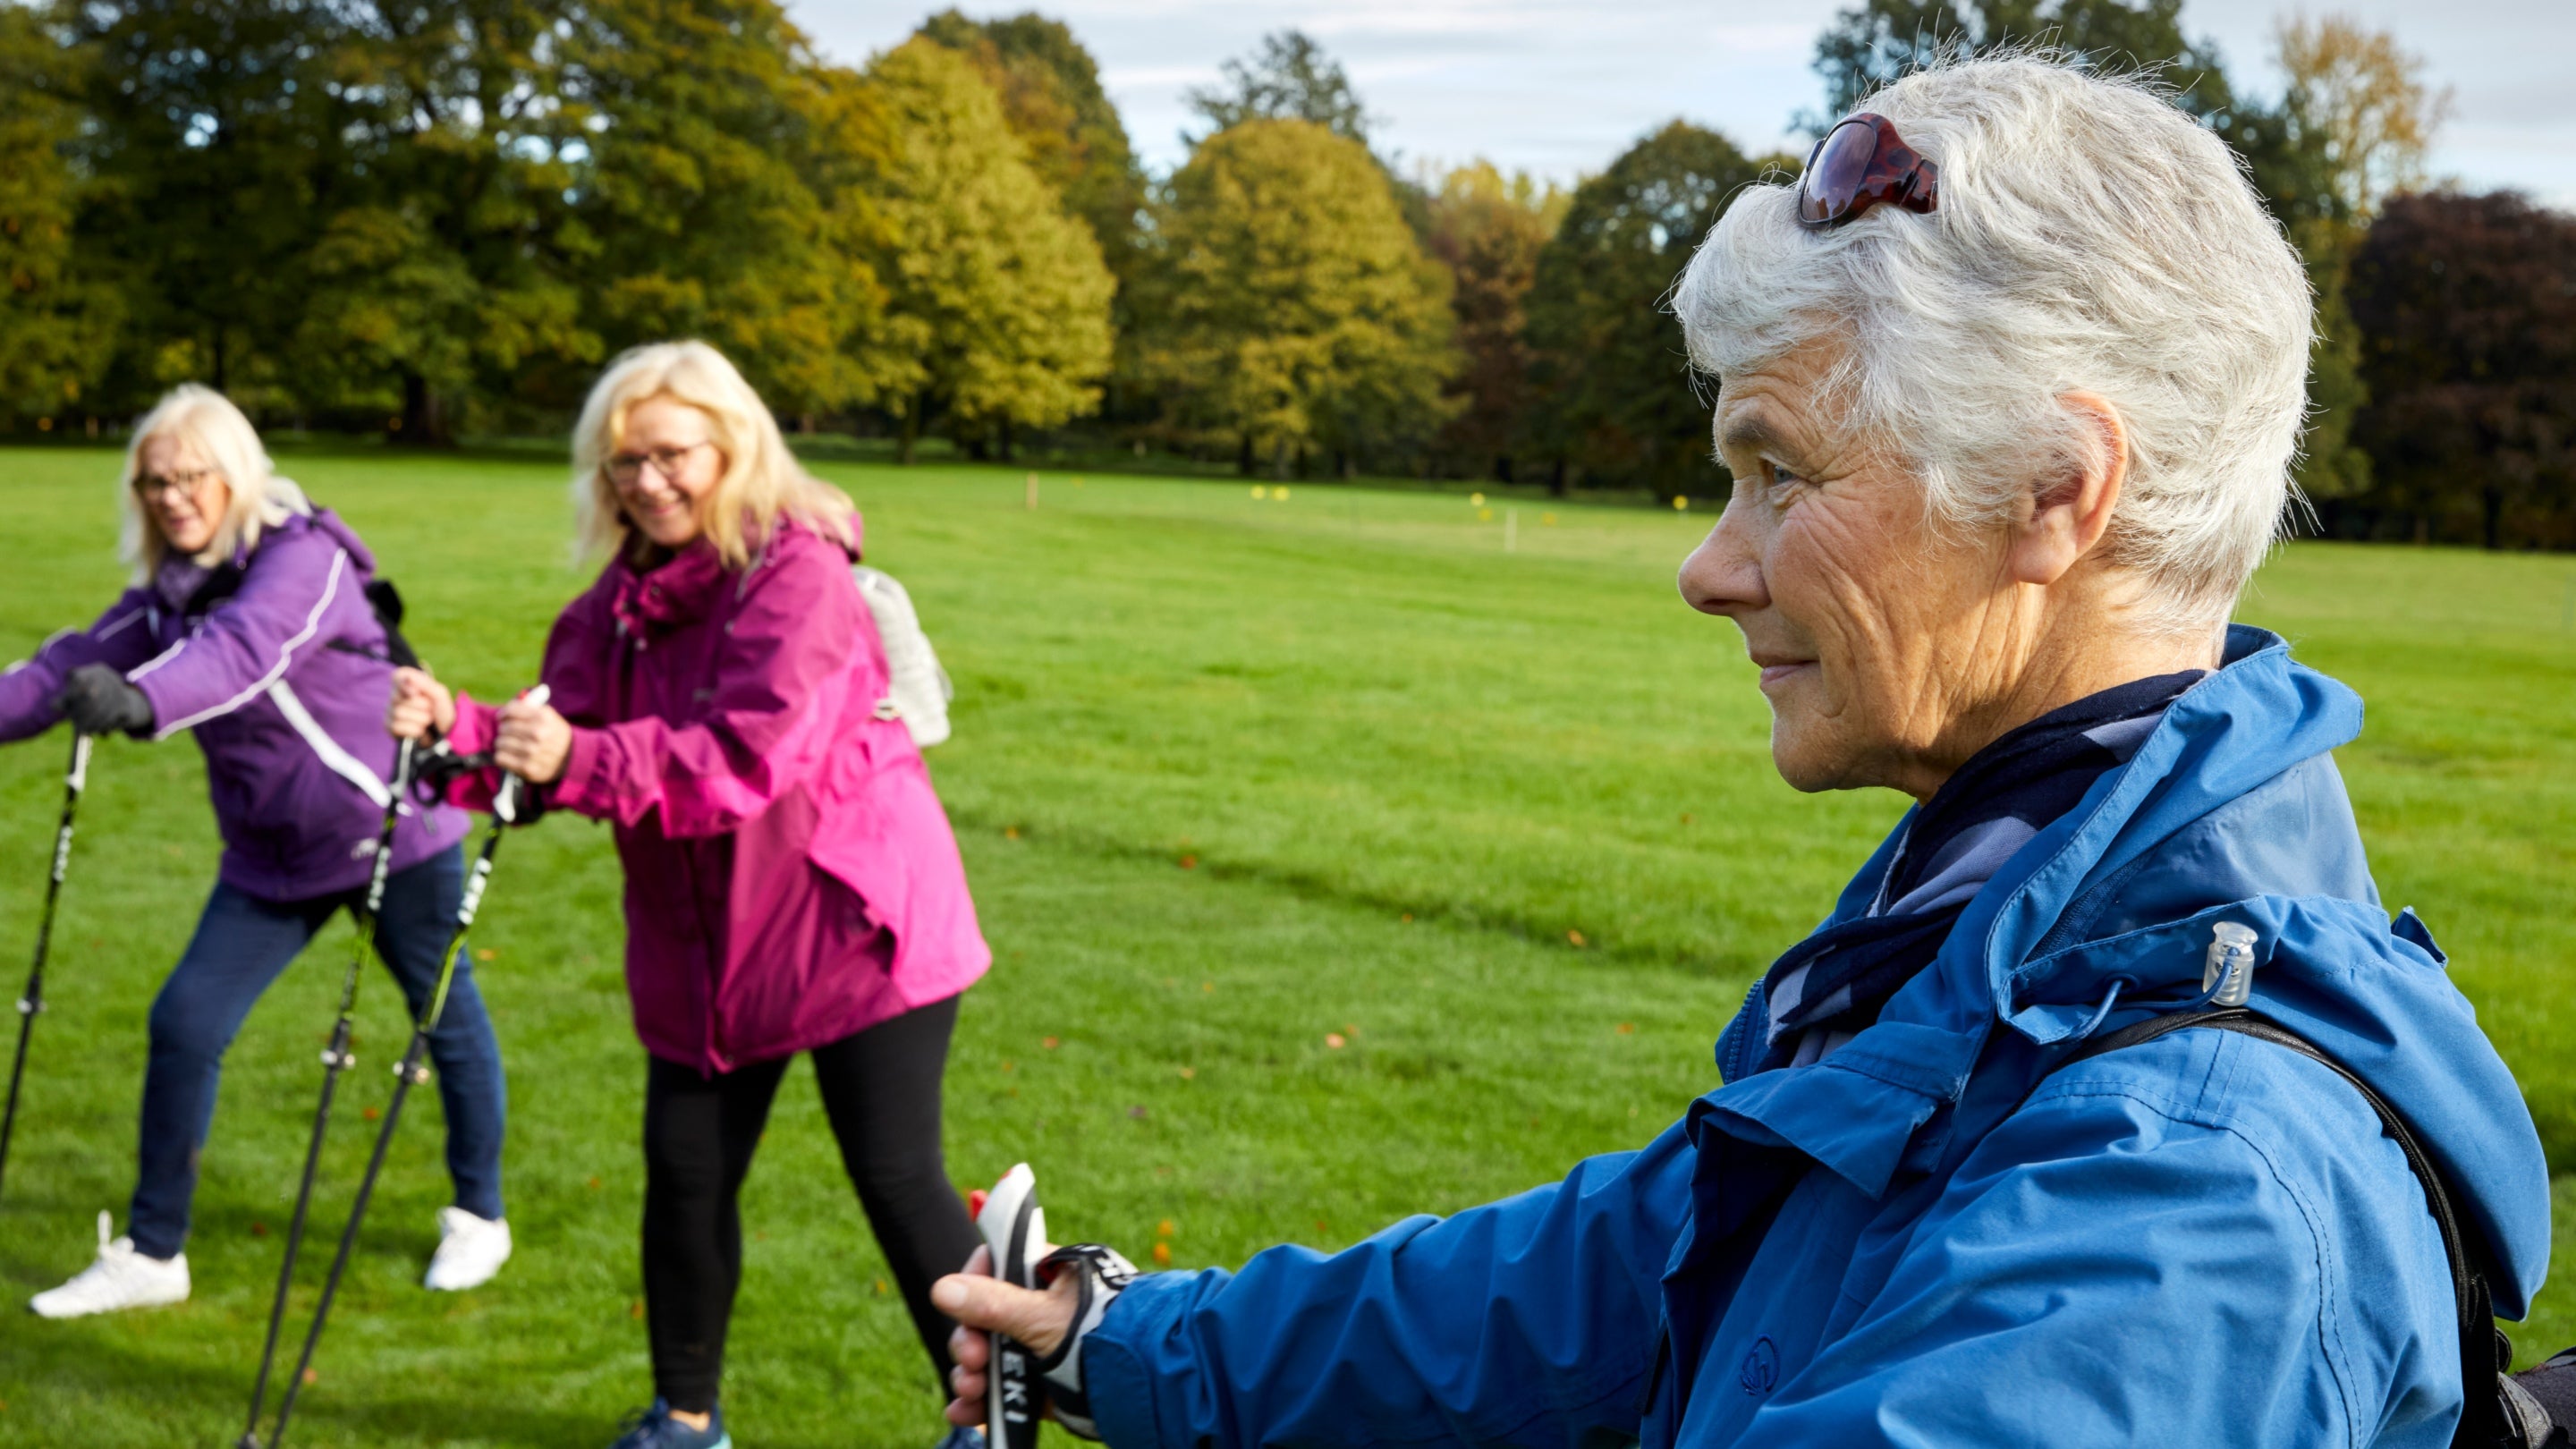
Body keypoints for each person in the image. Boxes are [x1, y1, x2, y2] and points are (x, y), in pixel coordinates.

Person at [928, 57, 2554, 1449]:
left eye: (1780, 471)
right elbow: (1632, 1272)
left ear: (2059, 489)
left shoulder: (2189, 1200)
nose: (1712, 566)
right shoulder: (2027, 922)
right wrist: (1125, 1345)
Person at [387, 341, 993, 1449]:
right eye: (623, 461)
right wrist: (460, 733)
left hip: (852, 929)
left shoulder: (798, 579)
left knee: (900, 1179)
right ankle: (684, 1419)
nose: (646, 481)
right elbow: (561, 737)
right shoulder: (615, 605)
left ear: (733, 448)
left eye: (672, 455)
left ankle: (990, 1424)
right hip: (708, 949)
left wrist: (566, 756)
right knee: (684, 1177)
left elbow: (739, 761)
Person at [0, 385, 513, 1318]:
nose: (171, 495)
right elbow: (58, 670)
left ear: (235, 473)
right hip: (271, 858)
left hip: (392, 828)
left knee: (444, 1018)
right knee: (186, 1023)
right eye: (153, 480)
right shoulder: (165, 597)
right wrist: (75, 688)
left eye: (191, 474)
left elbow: (241, 656)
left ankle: (479, 1215)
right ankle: (155, 1255)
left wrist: (142, 703)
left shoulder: (302, 559)